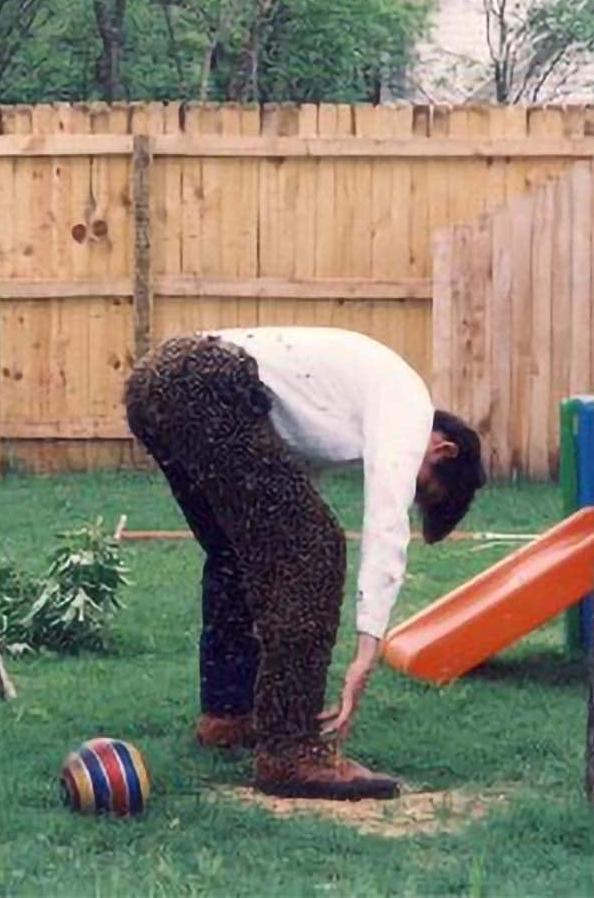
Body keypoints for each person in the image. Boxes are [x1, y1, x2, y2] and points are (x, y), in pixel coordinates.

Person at [125, 327, 485, 800]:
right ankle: (290, 751)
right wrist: (366, 651)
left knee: (239, 549)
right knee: (314, 548)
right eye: (426, 488)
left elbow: (278, 481)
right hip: (204, 381)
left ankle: (227, 715)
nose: (414, 490)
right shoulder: (409, 408)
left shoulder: (349, 401)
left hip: (156, 381)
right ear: (443, 449)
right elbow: (385, 521)